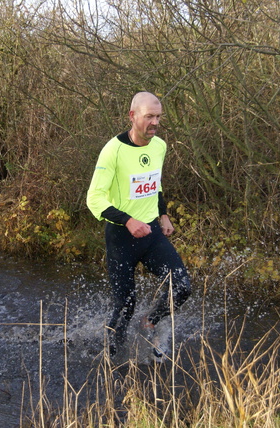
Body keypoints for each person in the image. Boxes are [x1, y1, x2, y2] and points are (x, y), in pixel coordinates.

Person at [86, 92, 192, 359]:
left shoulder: (159, 146)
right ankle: (111, 359)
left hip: (151, 235)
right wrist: (127, 220)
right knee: (125, 306)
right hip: (121, 237)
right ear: (133, 117)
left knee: (181, 287)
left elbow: (154, 184)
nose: (155, 123)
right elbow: (94, 198)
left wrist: (163, 214)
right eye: (149, 117)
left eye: (158, 117)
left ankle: (151, 321)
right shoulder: (113, 150)